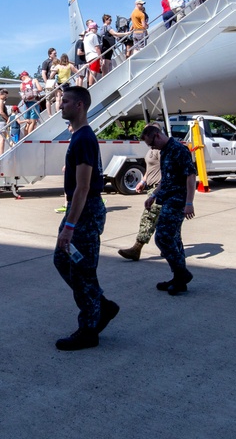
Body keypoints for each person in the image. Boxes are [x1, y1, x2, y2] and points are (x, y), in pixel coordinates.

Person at [52, 85, 117, 351]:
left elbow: (83, 187)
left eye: (65, 101)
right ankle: (101, 305)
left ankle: (89, 330)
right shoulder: (79, 136)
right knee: (63, 260)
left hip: (85, 213)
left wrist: (69, 226)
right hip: (79, 211)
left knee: (82, 270)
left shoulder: (84, 138)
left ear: (79, 105)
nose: (60, 106)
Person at [140, 123, 198, 295]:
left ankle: (182, 274)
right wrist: (153, 195)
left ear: (157, 135)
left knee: (163, 237)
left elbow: (191, 175)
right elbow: (166, 179)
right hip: (166, 198)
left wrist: (189, 202)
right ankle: (179, 279)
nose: (152, 148)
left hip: (177, 200)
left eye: (151, 144)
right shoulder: (164, 152)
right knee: (175, 240)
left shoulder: (179, 150)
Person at [117, 140, 162, 260]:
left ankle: (137, 248)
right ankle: (172, 248)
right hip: (152, 187)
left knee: (149, 217)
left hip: (159, 189)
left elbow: (167, 170)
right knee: (163, 221)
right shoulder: (151, 149)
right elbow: (150, 168)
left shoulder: (161, 150)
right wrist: (143, 181)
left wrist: (157, 192)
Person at [82, 20, 101, 86]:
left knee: (90, 71)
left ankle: (89, 84)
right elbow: (97, 47)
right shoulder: (94, 36)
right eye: (96, 28)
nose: (97, 30)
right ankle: (91, 85)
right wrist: (100, 57)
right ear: (93, 28)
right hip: (94, 55)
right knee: (94, 71)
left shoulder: (85, 37)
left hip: (88, 57)